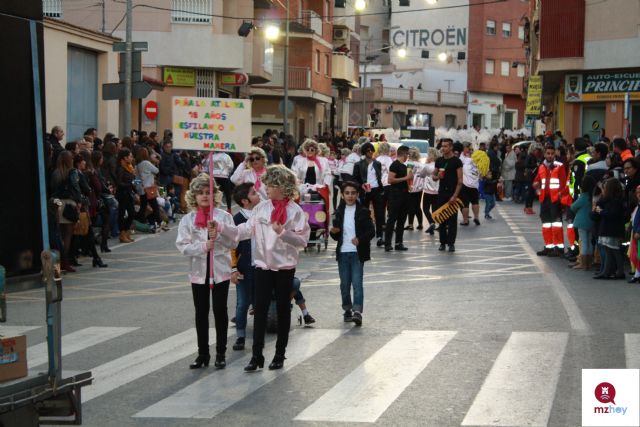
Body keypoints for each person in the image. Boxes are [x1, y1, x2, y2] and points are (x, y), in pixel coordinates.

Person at [224, 165, 310, 372]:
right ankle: (257, 355)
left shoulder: (295, 211)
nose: (266, 188)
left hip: (284, 268)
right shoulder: (261, 209)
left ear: (281, 186)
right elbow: (245, 230)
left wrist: (284, 233)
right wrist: (223, 230)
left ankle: (280, 354)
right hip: (261, 266)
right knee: (260, 309)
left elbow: (302, 241)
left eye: (270, 185)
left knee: (282, 309)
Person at [176, 174, 237, 369]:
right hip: (198, 271)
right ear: (193, 196)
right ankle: (203, 354)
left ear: (214, 195)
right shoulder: (188, 219)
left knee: (220, 310)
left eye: (208, 193)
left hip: (220, 270)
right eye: (200, 193)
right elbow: (183, 246)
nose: (204, 196)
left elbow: (233, 241)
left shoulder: (223, 217)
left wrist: (218, 235)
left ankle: (220, 352)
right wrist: (203, 246)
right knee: (201, 312)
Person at [330, 181, 375, 326]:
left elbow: (371, 231)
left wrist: (360, 239)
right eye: (347, 193)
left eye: (353, 193)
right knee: (344, 285)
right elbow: (337, 235)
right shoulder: (338, 212)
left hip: (357, 253)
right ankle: (347, 309)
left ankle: (357, 312)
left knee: (357, 283)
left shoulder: (363, 211)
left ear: (357, 194)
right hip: (343, 253)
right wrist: (333, 232)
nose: (350, 196)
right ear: (342, 195)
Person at [230, 183, 261, 351]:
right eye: (254, 193)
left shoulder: (263, 213)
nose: (259, 194)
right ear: (245, 201)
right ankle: (240, 335)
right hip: (244, 267)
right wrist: (234, 269)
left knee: (259, 302)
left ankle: (258, 334)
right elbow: (232, 247)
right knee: (242, 303)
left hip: (262, 266)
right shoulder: (237, 219)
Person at [533, 144, 570, 257]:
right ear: (544, 154)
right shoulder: (541, 166)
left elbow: (564, 183)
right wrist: (536, 186)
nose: (550, 155)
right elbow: (537, 180)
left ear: (555, 154)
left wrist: (561, 195)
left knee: (556, 224)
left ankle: (558, 248)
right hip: (544, 199)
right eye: (548, 153)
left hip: (555, 199)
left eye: (552, 153)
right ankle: (548, 247)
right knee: (546, 224)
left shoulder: (560, 166)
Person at [50, 150, 82, 272]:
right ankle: (65, 261)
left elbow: (52, 188)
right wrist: (79, 202)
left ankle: (56, 262)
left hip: (56, 203)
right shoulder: (72, 172)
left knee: (58, 235)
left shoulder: (55, 172)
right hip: (69, 204)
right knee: (68, 235)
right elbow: (76, 188)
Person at [592, 178, 626, 280]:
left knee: (615, 251)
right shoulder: (607, 200)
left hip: (612, 229)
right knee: (608, 251)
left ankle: (619, 272)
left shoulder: (616, 201)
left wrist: (600, 211)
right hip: (607, 228)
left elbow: (613, 215)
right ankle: (605, 271)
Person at [433, 139, 463, 252]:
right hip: (441, 192)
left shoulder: (456, 161)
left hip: (452, 192)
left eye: (445, 146)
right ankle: (442, 243)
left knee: (452, 220)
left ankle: (451, 243)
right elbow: (433, 176)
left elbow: (460, 181)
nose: (443, 148)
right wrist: (437, 177)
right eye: (442, 146)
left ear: (451, 147)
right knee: (442, 219)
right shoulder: (439, 160)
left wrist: (455, 196)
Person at [353, 142, 385, 247]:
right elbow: (354, 179)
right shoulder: (358, 164)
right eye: (368, 151)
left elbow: (379, 177)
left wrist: (381, 189)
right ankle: (365, 236)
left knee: (379, 214)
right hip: (365, 191)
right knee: (365, 214)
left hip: (376, 190)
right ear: (364, 152)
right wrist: (360, 186)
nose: (370, 152)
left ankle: (380, 236)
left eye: (371, 150)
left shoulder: (377, 164)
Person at [384, 145, 412, 252]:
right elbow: (390, 180)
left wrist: (410, 180)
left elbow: (407, 180)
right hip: (395, 196)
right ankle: (387, 243)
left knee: (401, 220)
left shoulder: (405, 166)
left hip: (405, 196)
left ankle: (398, 243)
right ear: (404, 154)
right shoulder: (395, 164)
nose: (408, 156)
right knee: (392, 220)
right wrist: (406, 178)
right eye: (407, 154)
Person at [569, 175, 595, 270]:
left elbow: (573, 207)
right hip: (591, 222)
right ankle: (589, 262)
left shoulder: (584, 196)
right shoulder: (593, 195)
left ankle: (583, 263)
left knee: (583, 242)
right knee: (589, 241)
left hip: (582, 222)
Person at [135, 147, 162, 231]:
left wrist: (138, 188)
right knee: (155, 206)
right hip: (149, 188)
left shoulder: (137, 165)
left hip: (142, 189)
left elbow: (136, 179)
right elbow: (156, 171)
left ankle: (140, 221)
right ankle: (159, 222)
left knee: (143, 207)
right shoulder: (146, 163)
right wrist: (155, 162)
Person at [459, 142, 481, 226]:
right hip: (474, 185)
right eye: (469, 148)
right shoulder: (476, 159)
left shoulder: (462, 159)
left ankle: (465, 220)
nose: (470, 150)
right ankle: (476, 218)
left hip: (465, 184)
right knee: (475, 202)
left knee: (465, 204)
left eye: (470, 149)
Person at [420, 147, 440, 235]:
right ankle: (437, 224)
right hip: (437, 190)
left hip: (428, 190)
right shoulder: (439, 166)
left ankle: (431, 222)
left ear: (431, 156)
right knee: (435, 209)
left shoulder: (427, 166)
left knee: (425, 208)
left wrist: (425, 163)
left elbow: (421, 175)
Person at [405, 148, 424, 230]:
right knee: (417, 206)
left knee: (410, 206)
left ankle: (411, 224)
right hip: (419, 188)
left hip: (410, 186)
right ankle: (420, 224)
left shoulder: (407, 164)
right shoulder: (421, 165)